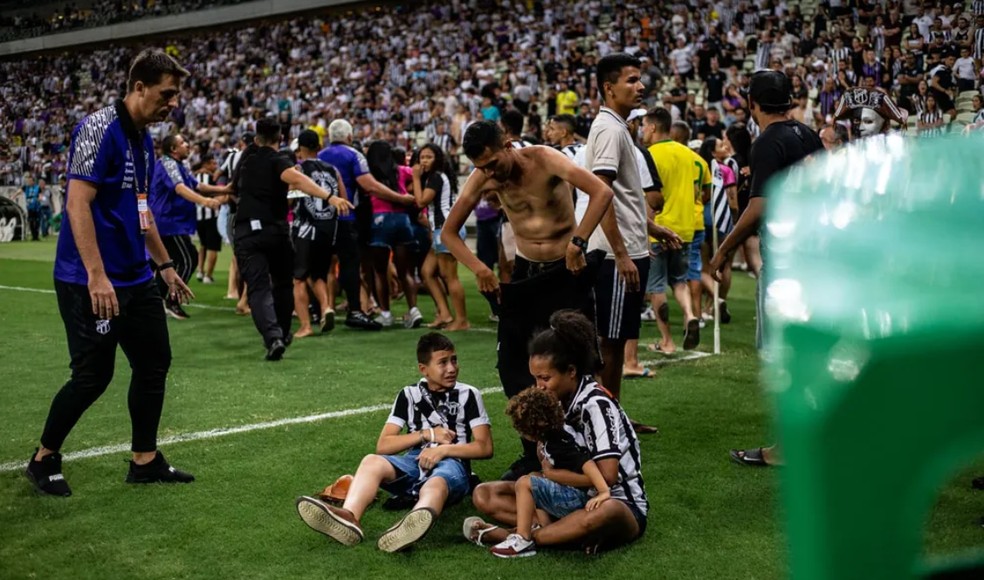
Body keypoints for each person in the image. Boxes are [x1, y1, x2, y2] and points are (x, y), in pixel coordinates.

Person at [26, 49, 197, 496]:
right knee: (92, 376)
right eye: (167, 93)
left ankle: (145, 461)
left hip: (136, 277)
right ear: (138, 87)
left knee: (154, 362)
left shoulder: (144, 140)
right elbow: (77, 204)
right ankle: (44, 459)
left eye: (175, 95)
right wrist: (96, 276)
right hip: (89, 279)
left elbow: (142, 211)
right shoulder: (97, 128)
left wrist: (164, 265)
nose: (172, 103)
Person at [444, 119, 616, 480]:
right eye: (481, 168)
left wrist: (579, 241)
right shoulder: (484, 178)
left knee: (578, 361)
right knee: (512, 365)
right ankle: (533, 450)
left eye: (492, 163)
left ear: (507, 144)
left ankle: (589, 445)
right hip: (525, 273)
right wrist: (479, 268)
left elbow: (601, 193)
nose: (489, 173)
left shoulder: (545, 158)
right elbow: (449, 232)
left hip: (566, 269)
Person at [708, 69, 824, 467]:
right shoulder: (807, 134)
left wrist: (724, 250)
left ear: (753, 104)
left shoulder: (767, 143)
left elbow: (758, 208)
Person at [294, 332, 493, 552]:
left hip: (453, 465)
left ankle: (409, 524)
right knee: (371, 461)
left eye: (454, 360)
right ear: (423, 369)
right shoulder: (408, 395)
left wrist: (444, 450)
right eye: (443, 362)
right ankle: (350, 517)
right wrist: (427, 435)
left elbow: (485, 447)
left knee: (434, 484)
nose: (452, 368)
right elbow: (383, 445)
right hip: (413, 462)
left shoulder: (469, 394)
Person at [468, 310, 647, 553]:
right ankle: (565, 533)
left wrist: (551, 475)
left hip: (617, 502)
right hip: (572, 496)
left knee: (606, 511)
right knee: (485, 494)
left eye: (544, 378)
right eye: (535, 379)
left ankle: (524, 536)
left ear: (571, 371)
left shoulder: (596, 405)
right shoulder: (552, 405)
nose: (538, 387)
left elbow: (607, 478)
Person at [232, 118, 353, 360]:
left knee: (258, 288)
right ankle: (284, 332)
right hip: (275, 230)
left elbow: (233, 189)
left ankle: (273, 337)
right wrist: (330, 197)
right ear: (280, 140)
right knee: (283, 283)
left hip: (246, 231)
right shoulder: (279, 160)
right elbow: (294, 179)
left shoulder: (246, 159)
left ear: (256, 139)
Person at [485, 386, 612, 558]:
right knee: (534, 478)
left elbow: (586, 463)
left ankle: (523, 539)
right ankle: (544, 528)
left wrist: (603, 490)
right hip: (572, 493)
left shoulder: (558, 443)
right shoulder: (551, 438)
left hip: (578, 499)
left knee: (524, 483)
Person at [318, 119, 413, 328]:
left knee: (324, 267)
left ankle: (321, 308)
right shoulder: (353, 155)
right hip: (346, 217)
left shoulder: (319, 156)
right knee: (350, 264)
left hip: (321, 218)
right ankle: (355, 310)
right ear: (350, 137)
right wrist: (400, 198)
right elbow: (369, 186)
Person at [149, 134, 227, 320]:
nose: (187, 145)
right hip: (168, 222)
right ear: (174, 149)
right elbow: (180, 188)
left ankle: (156, 301)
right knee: (187, 258)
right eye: (183, 143)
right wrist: (205, 202)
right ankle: (172, 301)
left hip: (169, 222)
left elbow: (196, 185)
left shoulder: (178, 165)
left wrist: (225, 189)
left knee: (164, 262)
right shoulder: (168, 163)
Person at [289, 130, 351, 338]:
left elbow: (289, 199)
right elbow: (343, 198)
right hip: (328, 228)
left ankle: (305, 325)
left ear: (300, 149)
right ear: (318, 146)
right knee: (319, 274)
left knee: (298, 278)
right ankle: (326, 308)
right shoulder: (332, 169)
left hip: (305, 227)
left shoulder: (298, 169)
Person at [365, 139, 421, 328]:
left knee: (380, 272)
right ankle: (414, 310)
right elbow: (416, 173)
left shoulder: (370, 175)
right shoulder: (401, 171)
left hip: (380, 219)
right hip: (402, 220)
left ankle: (386, 313)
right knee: (406, 271)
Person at [413, 143, 468, 330]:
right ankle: (444, 314)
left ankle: (461, 320)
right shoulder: (440, 177)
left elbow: (421, 201)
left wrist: (415, 177)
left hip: (445, 230)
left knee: (449, 276)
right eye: (422, 157)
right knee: (427, 272)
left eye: (429, 157)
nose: (424, 161)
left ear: (437, 159)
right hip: (443, 229)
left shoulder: (435, 177)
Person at [193, 156, 222, 284]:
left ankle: (200, 271)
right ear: (206, 164)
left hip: (198, 216)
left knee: (203, 245)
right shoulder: (211, 178)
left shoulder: (194, 177)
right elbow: (220, 195)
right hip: (212, 216)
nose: (215, 166)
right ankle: (208, 275)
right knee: (213, 247)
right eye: (213, 163)